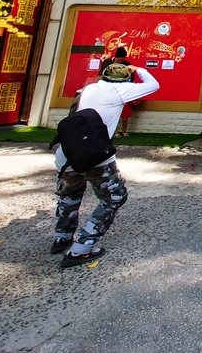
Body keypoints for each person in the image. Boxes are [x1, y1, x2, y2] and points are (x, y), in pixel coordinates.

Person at [52, 62, 160, 268]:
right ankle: (82, 247)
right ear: (125, 79)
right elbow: (153, 85)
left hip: (67, 153)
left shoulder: (87, 88)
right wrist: (138, 69)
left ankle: (62, 237)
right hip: (95, 154)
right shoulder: (120, 89)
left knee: (70, 194)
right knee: (114, 196)